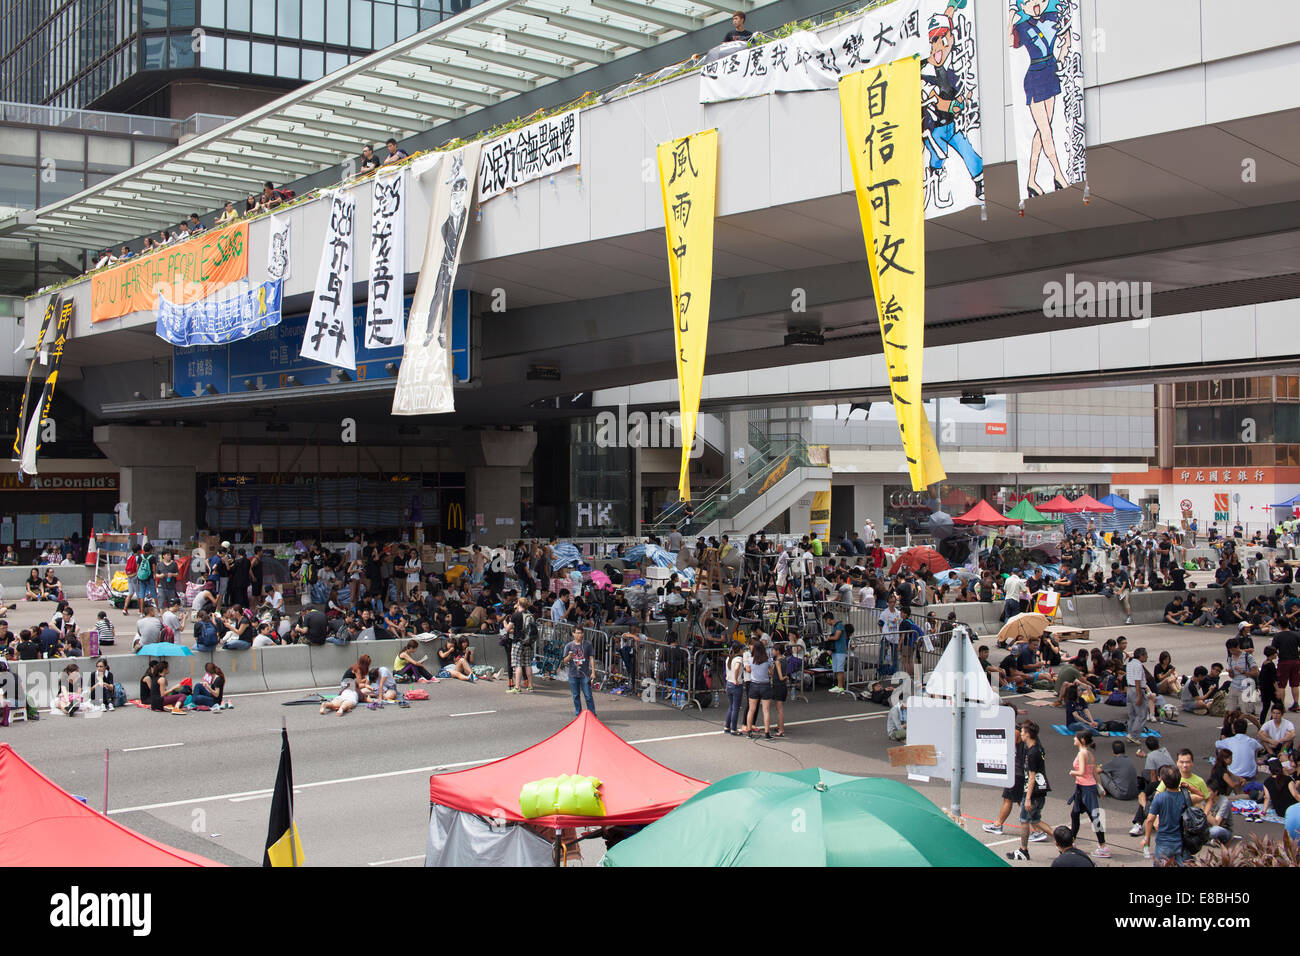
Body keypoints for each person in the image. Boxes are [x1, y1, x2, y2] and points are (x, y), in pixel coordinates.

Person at [1007, 721, 1053, 862]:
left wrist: (1027, 798)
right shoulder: (1036, 748)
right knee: (1036, 821)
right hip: (1039, 793)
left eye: (1022, 732)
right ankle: (1064, 841)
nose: (1020, 734)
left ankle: (1023, 850)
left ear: (1027, 734)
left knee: (1025, 821)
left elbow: (1032, 777)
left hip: (1033, 794)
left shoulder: (1032, 753)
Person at [1066, 730, 1110, 858]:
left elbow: (1080, 772)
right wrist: (1100, 787)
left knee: (1094, 817)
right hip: (1085, 788)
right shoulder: (1089, 754)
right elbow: (1095, 772)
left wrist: (1072, 772)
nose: (1074, 738)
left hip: (1085, 788)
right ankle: (1072, 842)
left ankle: (1103, 846)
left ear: (1082, 740)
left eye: (1076, 737)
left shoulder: (1082, 753)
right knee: (1075, 814)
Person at [1143, 765, 1189, 866]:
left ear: (1163, 781)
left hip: (1163, 842)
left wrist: (1147, 838)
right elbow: (1202, 796)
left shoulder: (1159, 798)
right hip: (1179, 841)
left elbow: (1150, 819)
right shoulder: (1183, 797)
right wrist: (1189, 788)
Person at [562, 625, 596, 716]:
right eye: (577, 633)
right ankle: (578, 714)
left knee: (588, 696)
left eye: (581, 633)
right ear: (573, 634)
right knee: (576, 696)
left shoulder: (587, 644)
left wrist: (593, 672)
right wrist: (570, 656)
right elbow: (564, 661)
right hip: (573, 674)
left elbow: (591, 658)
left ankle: (592, 714)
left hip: (585, 674)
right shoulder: (569, 645)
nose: (580, 635)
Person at [743, 639, 772, 738]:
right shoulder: (768, 659)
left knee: (751, 709)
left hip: (754, 685)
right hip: (765, 685)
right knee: (766, 710)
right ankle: (767, 733)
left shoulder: (751, 660)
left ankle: (749, 731)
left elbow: (749, 670)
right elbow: (771, 672)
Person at [1125, 647, 1150, 752]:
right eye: (1146, 655)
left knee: (1132, 715)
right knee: (1141, 714)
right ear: (1141, 656)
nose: (1147, 657)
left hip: (1129, 690)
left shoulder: (1130, 664)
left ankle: (1130, 733)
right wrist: (1139, 696)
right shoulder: (1138, 665)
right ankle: (1134, 735)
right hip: (1136, 690)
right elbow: (1137, 681)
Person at [823, 612, 850, 694]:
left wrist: (829, 638)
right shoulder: (836, 626)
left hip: (840, 651)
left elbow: (837, 637)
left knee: (840, 669)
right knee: (837, 669)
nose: (826, 623)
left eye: (826, 621)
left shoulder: (839, 625)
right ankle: (839, 686)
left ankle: (841, 687)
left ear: (828, 619)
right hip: (836, 651)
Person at [724, 641, 745, 736]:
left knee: (731, 706)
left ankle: (727, 726)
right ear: (740, 650)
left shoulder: (729, 658)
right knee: (735, 708)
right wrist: (736, 679)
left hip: (728, 683)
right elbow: (736, 668)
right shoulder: (739, 659)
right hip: (736, 684)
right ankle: (733, 729)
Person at [769, 643, 787, 737]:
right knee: (780, 709)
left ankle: (781, 730)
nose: (772, 652)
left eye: (773, 650)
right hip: (783, 686)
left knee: (779, 709)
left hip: (778, 685)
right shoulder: (784, 660)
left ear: (778, 651)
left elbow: (780, 677)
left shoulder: (777, 662)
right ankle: (779, 726)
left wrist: (784, 677)